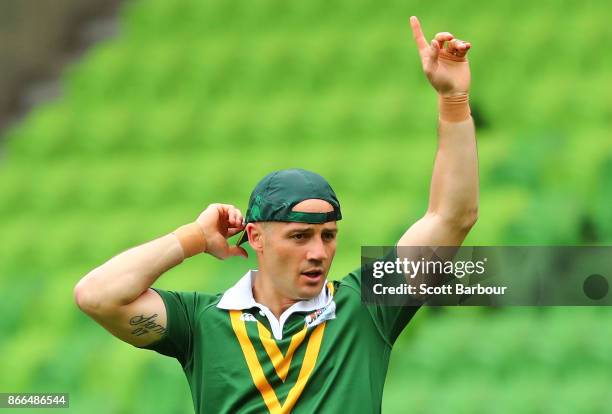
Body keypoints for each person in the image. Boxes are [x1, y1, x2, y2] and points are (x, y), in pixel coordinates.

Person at [74, 16, 478, 413]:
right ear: (256, 237)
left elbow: (451, 217)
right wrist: (192, 238)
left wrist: (454, 101)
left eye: (328, 235)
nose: (319, 252)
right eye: (300, 236)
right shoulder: (201, 323)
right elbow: (97, 295)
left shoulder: (364, 308)